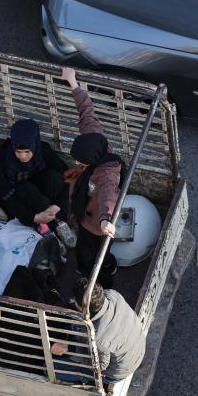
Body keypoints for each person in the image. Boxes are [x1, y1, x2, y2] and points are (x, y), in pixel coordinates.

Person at [61, 67, 123, 290]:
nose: (78, 164)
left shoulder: (106, 173)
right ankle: (102, 266)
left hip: (95, 223)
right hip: (88, 210)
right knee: (92, 251)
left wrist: (105, 219)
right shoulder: (95, 140)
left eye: (82, 162)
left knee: (91, 253)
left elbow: (108, 195)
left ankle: (99, 281)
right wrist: (73, 83)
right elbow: (86, 112)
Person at [0, 118, 76, 248]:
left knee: (54, 177)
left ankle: (60, 222)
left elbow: (67, 180)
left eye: (27, 151)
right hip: (17, 197)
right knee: (27, 190)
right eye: (18, 152)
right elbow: (6, 196)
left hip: (39, 191)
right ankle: (48, 230)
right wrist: (34, 217)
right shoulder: (3, 158)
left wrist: (58, 206)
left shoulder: (43, 150)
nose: (23, 156)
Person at [51, 283, 143, 385]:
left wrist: (70, 348)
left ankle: (86, 380)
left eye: (75, 300)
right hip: (136, 348)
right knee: (75, 327)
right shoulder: (112, 295)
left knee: (51, 368)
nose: (73, 301)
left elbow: (99, 366)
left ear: (82, 308)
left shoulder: (99, 340)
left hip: (117, 372)